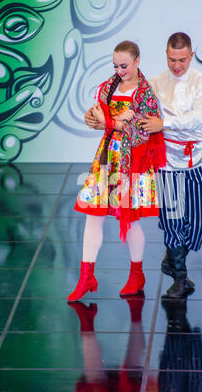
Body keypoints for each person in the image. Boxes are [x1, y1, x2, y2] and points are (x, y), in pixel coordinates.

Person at [68, 41, 166, 302]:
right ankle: (86, 275)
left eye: (124, 65)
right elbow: (100, 119)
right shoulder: (109, 87)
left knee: (131, 219)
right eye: (116, 66)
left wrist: (108, 121)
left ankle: (137, 274)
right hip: (108, 158)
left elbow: (141, 131)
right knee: (93, 215)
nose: (120, 70)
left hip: (133, 161)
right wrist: (92, 119)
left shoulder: (145, 94)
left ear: (137, 61)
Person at [139, 32, 202, 298]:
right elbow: (136, 111)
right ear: (166, 54)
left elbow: (199, 118)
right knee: (173, 220)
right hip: (166, 162)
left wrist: (166, 124)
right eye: (172, 59)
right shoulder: (155, 83)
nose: (177, 65)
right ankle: (179, 277)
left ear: (191, 55)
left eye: (182, 60)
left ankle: (173, 254)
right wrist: (101, 116)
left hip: (195, 160)